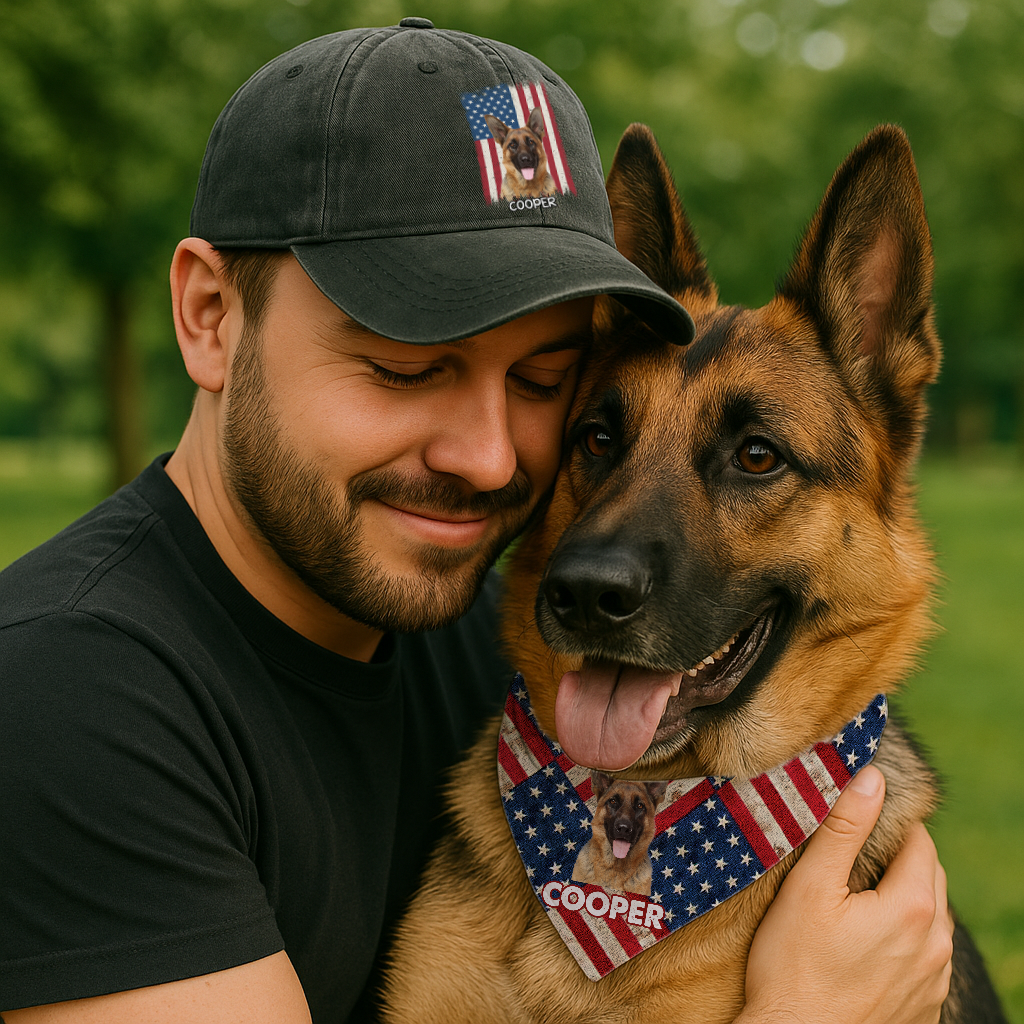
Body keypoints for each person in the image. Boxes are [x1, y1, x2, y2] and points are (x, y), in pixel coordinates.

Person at [0, 19, 953, 1024]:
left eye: (544, 381)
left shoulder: (492, 642)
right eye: (403, 367)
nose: (488, 459)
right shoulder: (69, 700)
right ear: (207, 314)